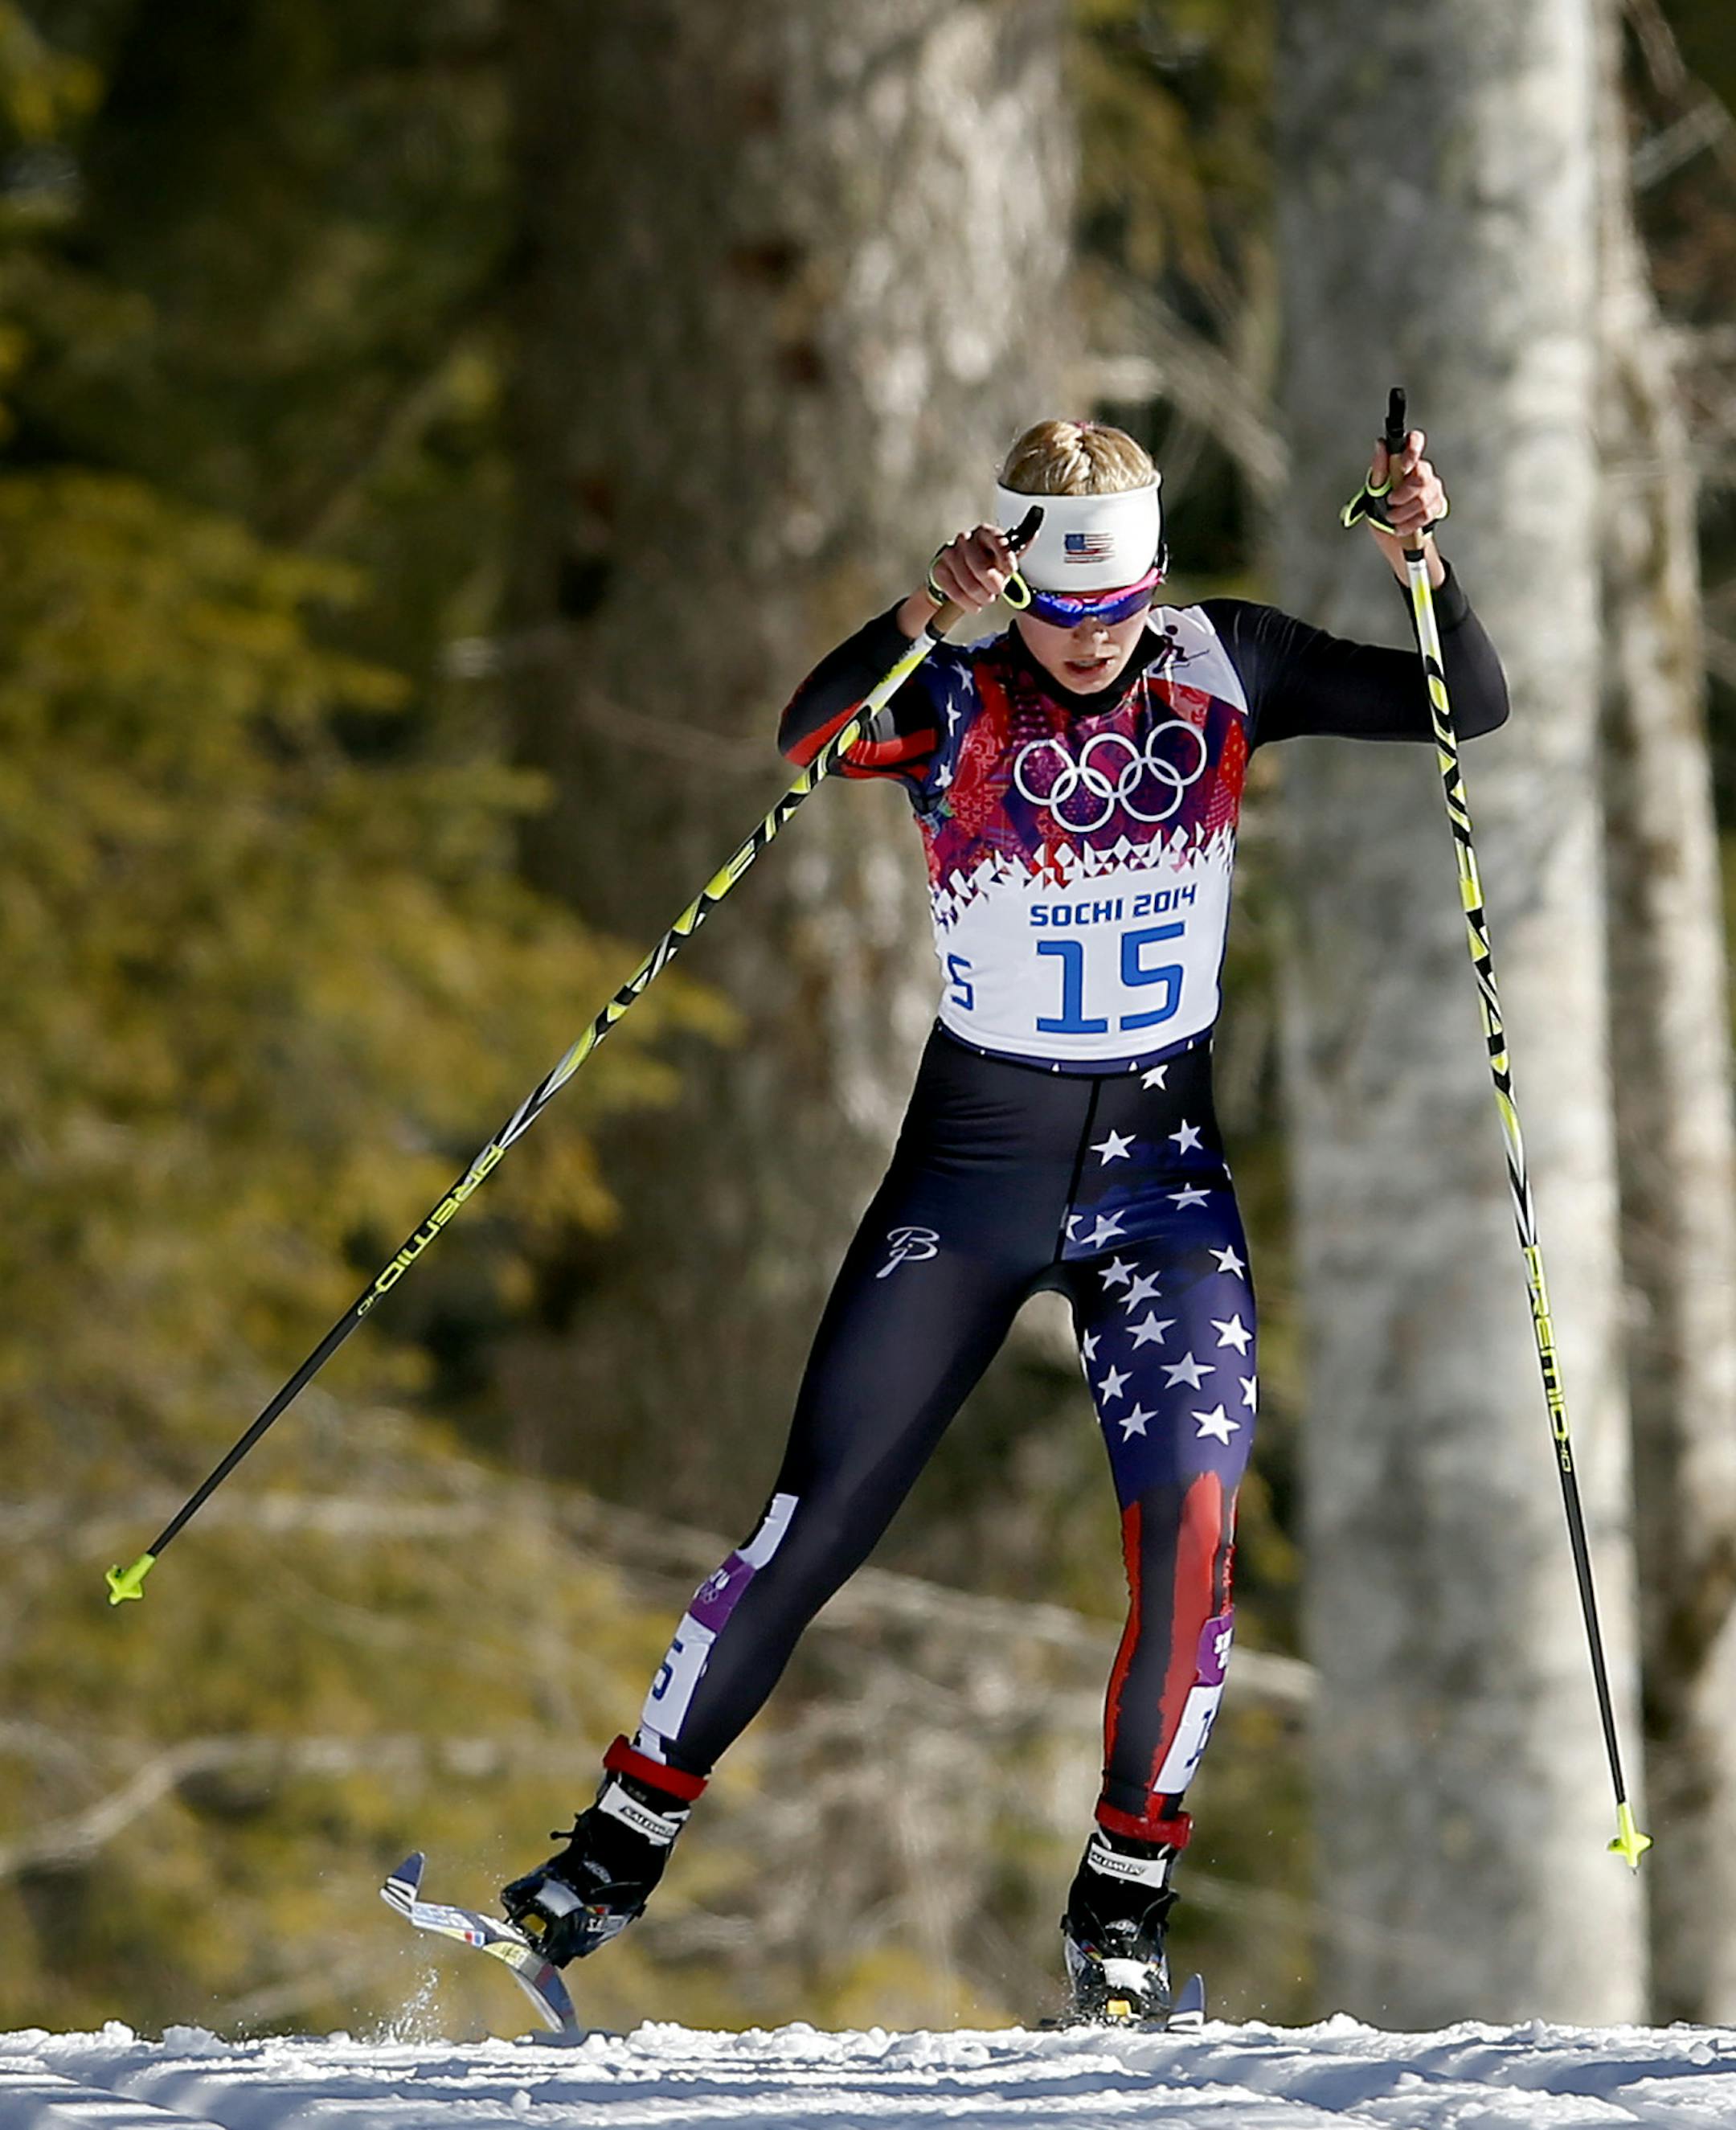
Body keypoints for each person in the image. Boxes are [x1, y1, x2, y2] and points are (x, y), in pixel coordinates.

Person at [502, 418, 1509, 2021]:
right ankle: (616, 1840)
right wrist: (922, 613)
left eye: (1121, 609)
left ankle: (1124, 1888)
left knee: (1190, 1526)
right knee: (813, 1515)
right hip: (972, 1176)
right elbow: (807, 738)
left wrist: (1421, 559)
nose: (1095, 641)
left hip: (1162, 1188)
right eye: (1061, 607)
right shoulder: (960, 688)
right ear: (1010, 574)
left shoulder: (1224, 661)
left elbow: (1471, 706)